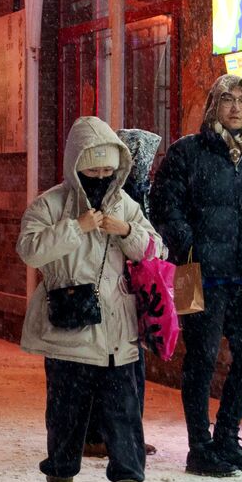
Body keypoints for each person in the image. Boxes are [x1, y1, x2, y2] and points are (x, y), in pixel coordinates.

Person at [19, 116, 157, 482]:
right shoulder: (49, 205)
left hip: (119, 334)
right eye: (91, 169)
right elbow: (29, 250)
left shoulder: (125, 205)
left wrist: (127, 230)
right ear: (75, 166)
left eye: (106, 170)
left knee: (125, 419)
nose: (99, 177)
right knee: (66, 417)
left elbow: (155, 249)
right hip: (69, 334)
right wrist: (75, 228)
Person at [152, 75, 242, 477]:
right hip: (196, 272)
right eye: (227, 99)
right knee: (202, 358)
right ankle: (200, 447)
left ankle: (227, 437)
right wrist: (189, 245)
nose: (235, 107)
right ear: (214, 104)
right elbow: (165, 204)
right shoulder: (188, 152)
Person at [84, 127, 163, 460]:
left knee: (129, 365)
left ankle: (125, 432)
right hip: (114, 290)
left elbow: (153, 242)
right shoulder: (117, 194)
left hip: (139, 287)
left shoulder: (139, 193)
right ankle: (103, 433)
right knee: (111, 368)